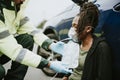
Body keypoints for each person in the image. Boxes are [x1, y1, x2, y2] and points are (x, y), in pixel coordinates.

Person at [0, 0, 72, 80]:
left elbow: (31, 30)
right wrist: (48, 64)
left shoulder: (17, 7)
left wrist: (50, 44)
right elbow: (16, 52)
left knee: (27, 40)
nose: (23, 1)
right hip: (6, 48)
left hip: (3, 49)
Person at [51, 2, 113, 80]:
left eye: (76, 26)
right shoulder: (76, 44)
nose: (72, 30)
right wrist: (66, 76)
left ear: (88, 29)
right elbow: (72, 68)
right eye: (72, 25)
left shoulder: (101, 48)